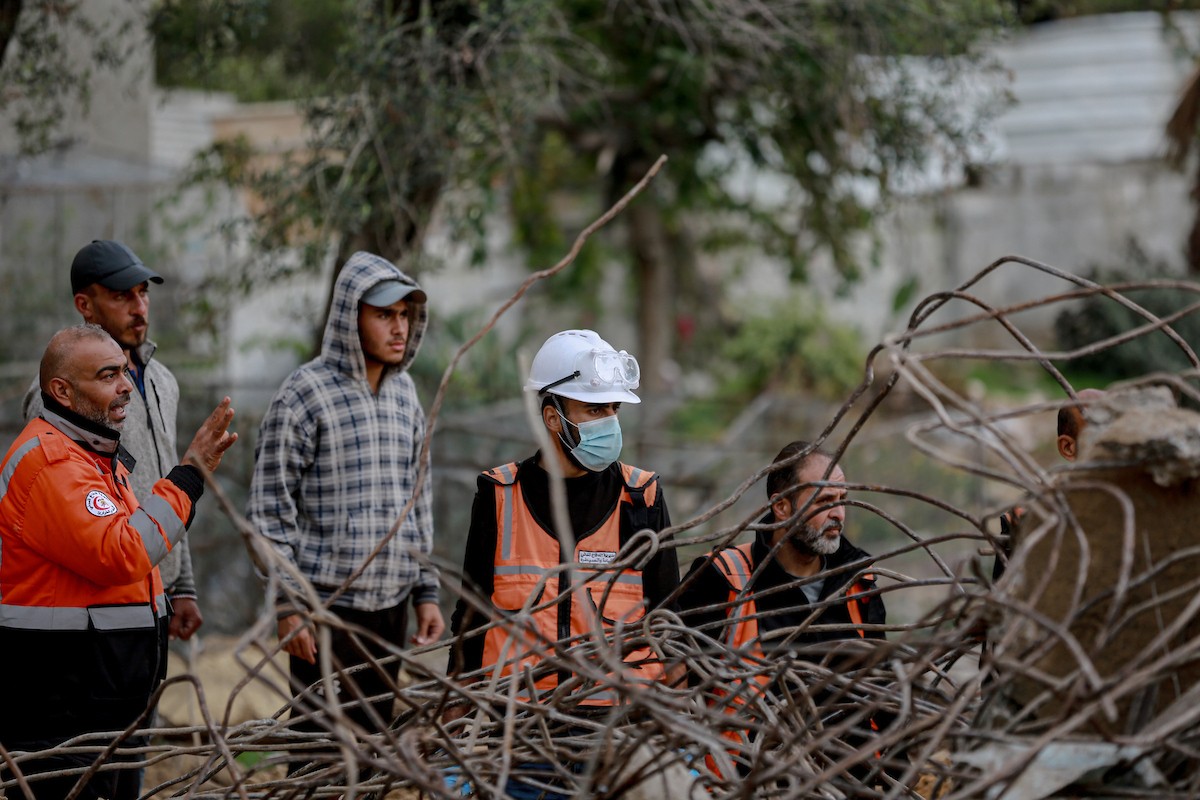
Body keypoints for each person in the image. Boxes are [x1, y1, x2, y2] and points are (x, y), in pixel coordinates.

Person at [0, 324, 237, 800]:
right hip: (62, 714)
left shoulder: (93, 456)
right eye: (108, 375)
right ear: (62, 391)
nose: (126, 385)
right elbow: (123, 552)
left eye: (125, 372)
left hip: (100, 706)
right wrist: (189, 475)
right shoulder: (51, 464)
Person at [446, 329, 679, 798]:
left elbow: (669, 621)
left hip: (618, 733)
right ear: (553, 418)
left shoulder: (642, 498)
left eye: (613, 409)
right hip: (520, 734)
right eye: (595, 410)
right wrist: (456, 717)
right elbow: (471, 615)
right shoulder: (498, 495)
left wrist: (676, 723)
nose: (609, 421)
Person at [246, 251, 444, 743]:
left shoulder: (407, 396)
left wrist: (425, 590)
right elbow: (269, 510)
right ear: (348, 318)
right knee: (321, 752)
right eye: (384, 315)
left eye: (405, 315)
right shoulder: (304, 394)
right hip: (325, 610)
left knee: (374, 746)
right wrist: (289, 606)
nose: (399, 328)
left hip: (391, 607)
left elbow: (417, 500)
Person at [23, 239, 204, 643]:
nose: (139, 308)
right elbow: (71, 519)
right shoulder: (58, 398)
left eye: (143, 293)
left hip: (158, 591)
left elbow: (168, 482)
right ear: (85, 305)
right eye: (122, 296)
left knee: (149, 702)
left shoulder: (162, 382)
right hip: (103, 604)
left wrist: (183, 584)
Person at [678, 441, 885, 782]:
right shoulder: (724, 577)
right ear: (782, 507)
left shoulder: (859, 579)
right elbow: (676, 680)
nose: (838, 514)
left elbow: (882, 685)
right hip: (747, 783)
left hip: (845, 782)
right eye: (823, 502)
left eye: (842, 500)